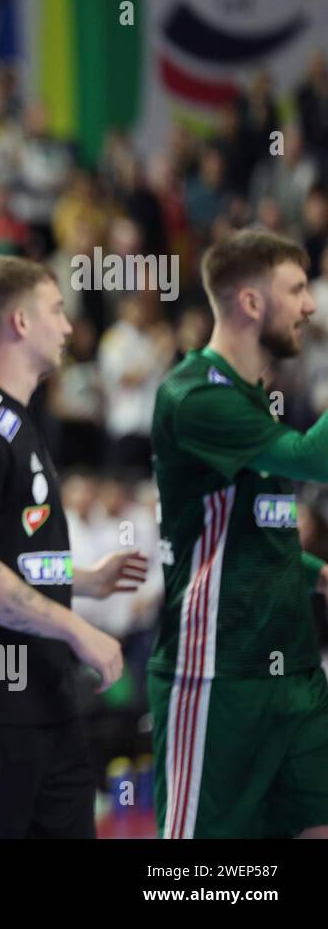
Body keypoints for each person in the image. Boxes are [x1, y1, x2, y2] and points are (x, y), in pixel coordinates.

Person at [0, 255, 148, 839]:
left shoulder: (19, 424)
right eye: (56, 310)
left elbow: (10, 557)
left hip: (47, 703)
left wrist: (84, 578)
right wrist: (76, 626)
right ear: (20, 322)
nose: (68, 326)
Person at [150, 228, 328, 838]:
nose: (310, 305)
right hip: (218, 673)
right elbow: (314, 459)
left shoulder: (256, 397)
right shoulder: (194, 395)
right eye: (297, 289)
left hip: (294, 670)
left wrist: (317, 573)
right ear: (251, 303)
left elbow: (258, 525)